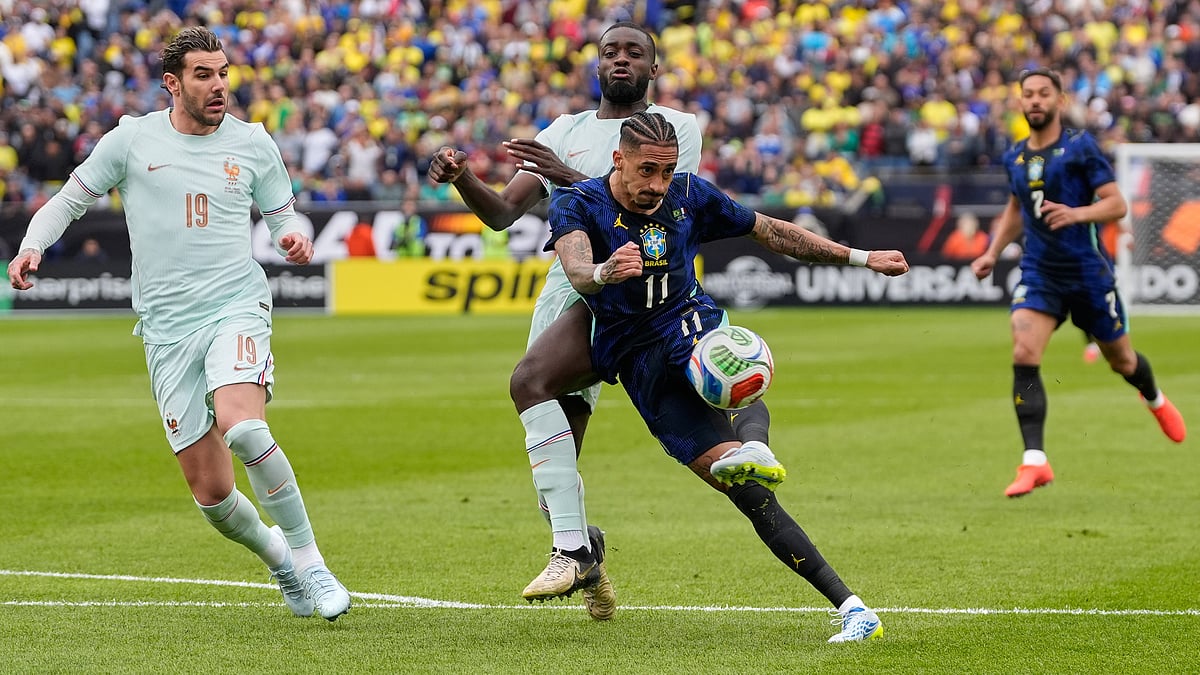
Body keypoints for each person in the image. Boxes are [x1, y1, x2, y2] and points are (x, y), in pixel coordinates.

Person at [6, 27, 352, 620]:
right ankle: (282, 565)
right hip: (165, 328)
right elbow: (70, 198)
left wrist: (292, 237)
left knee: (243, 427)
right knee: (213, 495)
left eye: (223, 74)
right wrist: (32, 245)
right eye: (203, 75)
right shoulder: (132, 140)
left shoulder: (252, 144)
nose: (218, 86)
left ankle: (312, 561)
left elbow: (282, 214)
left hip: (234, 305)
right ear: (172, 82)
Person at [428, 22, 771, 618]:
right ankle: (583, 551)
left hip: (646, 298)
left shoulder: (673, 130)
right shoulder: (564, 130)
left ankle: (744, 463)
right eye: (610, 51)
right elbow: (504, 215)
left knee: (673, 419)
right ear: (596, 63)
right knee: (556, 450)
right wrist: (463, 178)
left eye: (634, 52)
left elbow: (654, 206)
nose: (620, 60)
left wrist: (564, 175)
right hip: (571, 291)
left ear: (653, 68)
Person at [546, 111, 907, 642]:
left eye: (667, 172)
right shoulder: (577, 203)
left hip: (686, 320)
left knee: (729, 363)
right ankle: (853, 606)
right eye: (647, 171)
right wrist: (603, 272)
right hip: (636, 359)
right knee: (750, 496)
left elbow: (770, 232)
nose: (658, 185)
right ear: (618, 160)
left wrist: (859, 256)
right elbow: (577, 268)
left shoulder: (691, 195)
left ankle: (760, 454)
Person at [970, 68, 1186, 499]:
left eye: (1043, 94)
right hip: (1040, 272)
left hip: (1088, 274)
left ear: (1059, 101)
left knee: (1122, 362)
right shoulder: (1015, 156)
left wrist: (1077, 213)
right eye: (1027, 94)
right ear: (1020, 102)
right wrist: (993, 252)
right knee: (1023, 350)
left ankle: (1154, 398)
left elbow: (1117, 204)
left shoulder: (1080, 148)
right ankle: (1035, 461)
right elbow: (1016, 209)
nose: (1034, 100)